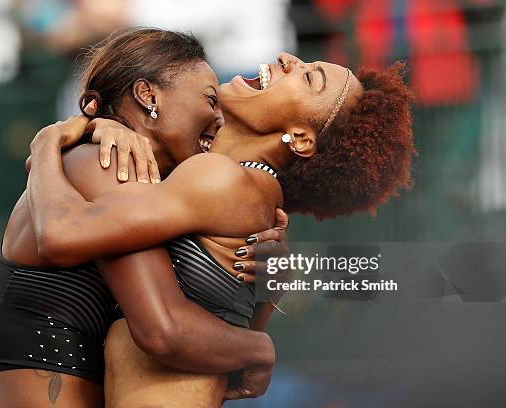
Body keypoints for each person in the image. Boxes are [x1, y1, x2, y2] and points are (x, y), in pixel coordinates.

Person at [25, 45, 416, 407]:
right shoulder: (236, 194)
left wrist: (47, 143)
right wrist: (102, 126)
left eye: (309, 78)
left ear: (300, 138)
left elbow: (61, 235)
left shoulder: (222, 182)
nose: (285, 58)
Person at [0, 28, 288, 408]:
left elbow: (211, 339)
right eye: (210, 101)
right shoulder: (107, 162)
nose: (219, 119)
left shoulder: (146, 186)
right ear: (149, 95)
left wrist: (268, 276)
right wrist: (260, 349)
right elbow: (165, 332)